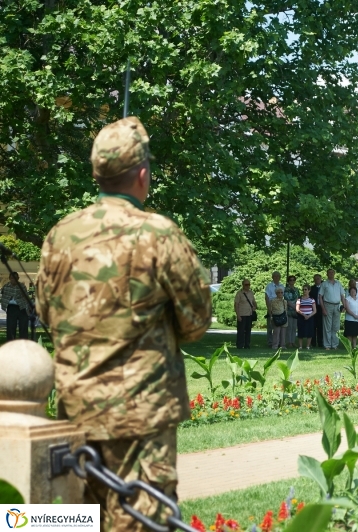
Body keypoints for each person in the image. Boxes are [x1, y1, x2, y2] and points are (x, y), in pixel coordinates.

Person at [36, 116, 211, 531]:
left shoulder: (60, 235)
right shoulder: (158, 234)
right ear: (143, 176)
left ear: (98, 173)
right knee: (141, 522)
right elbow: (197, 322)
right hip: (141, 420)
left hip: (75, 413)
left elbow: (48, 316)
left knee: (76, 522)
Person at [319, 269, 346, 349]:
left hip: (337, 306)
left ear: (334, 274)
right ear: (327, 274)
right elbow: (320, 297)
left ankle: (334, 345)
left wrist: (344, 306)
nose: (331, 274)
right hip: (327, 305)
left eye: (332, 272)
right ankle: (327, 345)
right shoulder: (324, 284)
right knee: (327, 326)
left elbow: (342, 296)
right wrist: (323, 308)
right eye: (329, 273)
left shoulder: (338, 283)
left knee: (336, 326)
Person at [1, 272, 30, 340]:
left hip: (22, 307)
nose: (13, 280)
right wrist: (5, 303)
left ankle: (23, 342)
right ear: (9, 278)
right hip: (11, 308)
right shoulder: (6, 286)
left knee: (23, 327)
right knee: (11, 327)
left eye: (15, 278)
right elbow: (3, 294)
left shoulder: (22, 286)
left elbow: (26, 296)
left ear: (18, 278)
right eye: (12, 278)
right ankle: (11, 343)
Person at [234, 278, 257, 349]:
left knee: (248, 330)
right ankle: (240, 345)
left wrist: (255, 306)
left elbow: (254, 301)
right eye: (246, 285)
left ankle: (247, 345)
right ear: (243, 285)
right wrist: (238, 315)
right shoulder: (239, 293)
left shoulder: (251, 293)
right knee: (241, 331)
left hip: (249, 314)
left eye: (249, 284)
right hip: (242, 314)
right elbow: (236, 304)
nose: (248, 286)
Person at [264, 271, 284, 346]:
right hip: (271, 305)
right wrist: (269, 308)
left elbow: (283, 297)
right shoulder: (269, 286)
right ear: (272, 277)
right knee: (270, 326)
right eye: (275, 276)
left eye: (278, 276)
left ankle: (278, 342)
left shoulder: (282, 286)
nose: (276, 278)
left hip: (280, 307)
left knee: (279, 325)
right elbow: (266, 298)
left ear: (279, 277)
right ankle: (270, 342)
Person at [295, 285, 317, 350]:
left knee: (310, 332)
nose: (304, 291)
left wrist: (309, 316)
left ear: (309, 290)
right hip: (301, 317)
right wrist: (304, 315)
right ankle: (300, 346)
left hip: (310, 317)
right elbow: (297, 309)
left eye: (306, 289)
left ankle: (308, 346)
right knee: (301, 331)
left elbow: (315, 310)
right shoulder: (299, 299)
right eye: (303, 289)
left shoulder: (312, 299)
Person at [284, 275, 300, 348]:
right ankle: (289, 342)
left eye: (293, 280)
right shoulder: (286, 289)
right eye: (290, 280)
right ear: (288, 281)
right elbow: (287, 300)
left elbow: (298, 299)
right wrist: (295, 307)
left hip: (296, 310)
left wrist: (297, 307)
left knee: (294, 327)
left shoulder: (297, 289)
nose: (292, 281)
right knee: (289, 327)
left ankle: (293, 341)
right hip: (289, 310)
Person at [309, 274, 324, 347]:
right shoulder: (312, 288)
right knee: (313, 326)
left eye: (318, 278)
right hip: (314, 308)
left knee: (321, 326)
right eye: (315, 279)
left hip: (322, 308)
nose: (317, 280)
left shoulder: (324, 287)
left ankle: (321, 342)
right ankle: (313, 343)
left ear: (321, 279)